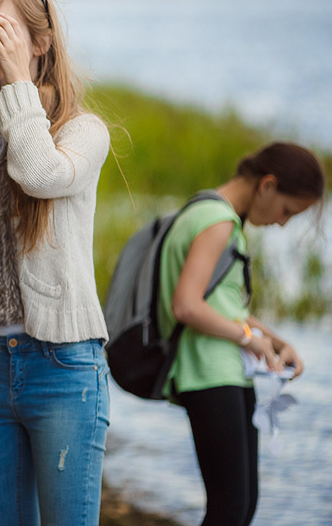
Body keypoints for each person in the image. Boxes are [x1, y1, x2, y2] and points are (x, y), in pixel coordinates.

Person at [0, 0, 110, 526]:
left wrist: (16, 86)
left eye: (2, 31)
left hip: (62, 363)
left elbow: (39, 173)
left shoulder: (83, 132)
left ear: (40, 42)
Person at [159, 142, 323, 526]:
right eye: (287, 211)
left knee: (239, 508)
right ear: (267, 185)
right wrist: (249, 339)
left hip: (221, 372)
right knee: (230, 511)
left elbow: (220, 306)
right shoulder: (219, 221)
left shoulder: (209, 210)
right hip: (209, 373)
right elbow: (186, 305)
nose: (283, 222)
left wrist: (274, 340)